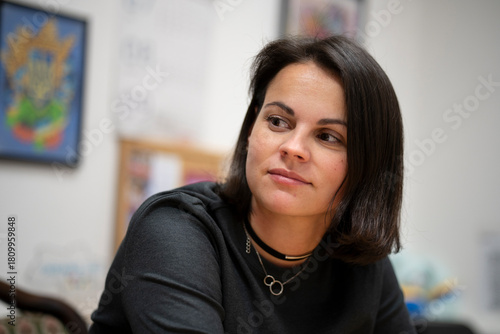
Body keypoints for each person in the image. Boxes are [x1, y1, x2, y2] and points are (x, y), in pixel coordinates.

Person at [89, 35, 416, 334]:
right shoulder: (174, 229)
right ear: (251, 128)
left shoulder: (363, 266)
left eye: (328, 136)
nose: (293, 147)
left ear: (368, 165)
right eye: (278, 121)